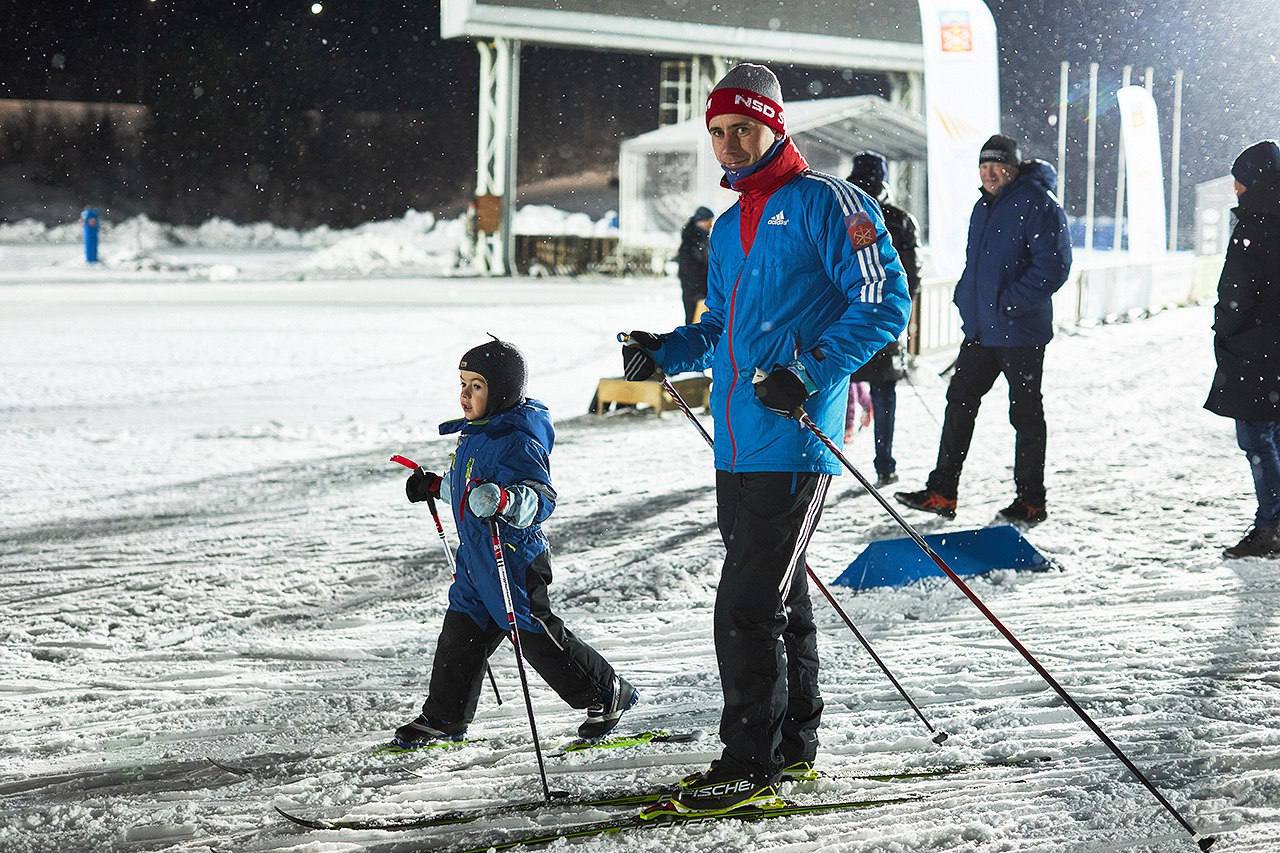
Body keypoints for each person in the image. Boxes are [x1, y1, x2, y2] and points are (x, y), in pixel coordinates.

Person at [620, 63, 910, 814]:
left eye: (743, 128)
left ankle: (748, 764)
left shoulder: (828, 202)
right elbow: (721, 326)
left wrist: (808, 372)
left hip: (794, 438)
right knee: (781, 597)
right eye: (718, 131)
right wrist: (667, 349)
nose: (729, 143)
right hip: (736, 442)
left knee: (745, 605)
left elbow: (885, 302)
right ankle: (792, 746)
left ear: (774, 127)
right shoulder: (726, 226)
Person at [394, 337, 637, 747]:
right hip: (476, 558)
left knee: (535, 637)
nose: (465, 395)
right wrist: (436, 486)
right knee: (460, 636)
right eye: (462, 384)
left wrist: (505, 500)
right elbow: (470, 489)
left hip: (512, 557)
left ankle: (607, 689)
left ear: (502, 391)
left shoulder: (517, 439)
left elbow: (541, 499)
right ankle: (445, 716)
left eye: (477, 386)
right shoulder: (476, 433)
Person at [896, 134, 1071, 526]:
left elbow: (1054, 266)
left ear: (1013, 168)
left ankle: (1031, 500)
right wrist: (966, 299)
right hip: (982, 331)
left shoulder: (1038, 203)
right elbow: (976, 264)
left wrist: (1008, 303)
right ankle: (942, 491)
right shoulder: (983, 206)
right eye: (984, 166)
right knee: (959, 403)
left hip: (1020, 332)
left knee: (1025, 414)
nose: (990, 174)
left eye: (998, 166)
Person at [1205, 140, 1280, 558]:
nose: (1235, 188)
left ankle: (1271, 525)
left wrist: (1225, 330)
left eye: (1240, 180)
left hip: (1256, 351)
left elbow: (1237, 294)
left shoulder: (1255, 226)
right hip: (1272, 349)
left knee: (1256, 439)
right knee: (1274, 435)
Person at [846, 151, 923, 486]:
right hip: (884, 318)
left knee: (835, 386)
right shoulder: (899, 219)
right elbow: (912, 274)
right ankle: (885, 463)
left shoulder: (844, 211)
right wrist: (900, 312)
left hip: (844, 316)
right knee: (884, 391)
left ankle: (823, 460)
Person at [678, 206, 714, 324]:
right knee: (694, 322)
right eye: (708, 221)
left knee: (700, 323)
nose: (710, 225)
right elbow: (688, 269)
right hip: (695, 292)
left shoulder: (702, 239)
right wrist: (698, 292)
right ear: (701, 221)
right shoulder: (692, 241)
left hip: (701, 290)